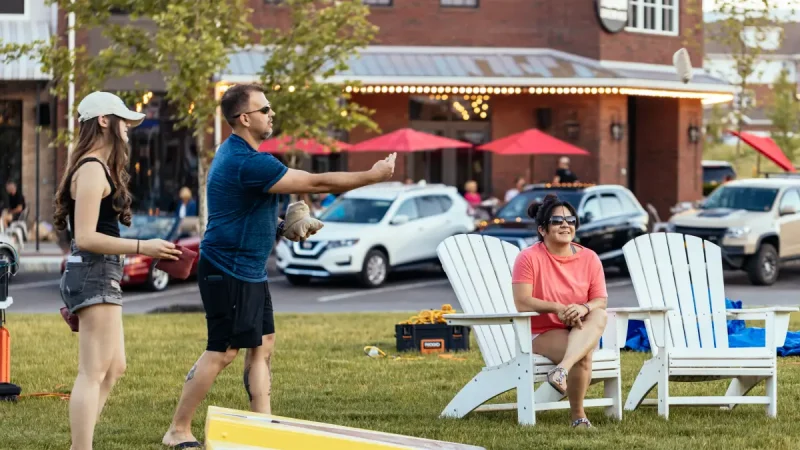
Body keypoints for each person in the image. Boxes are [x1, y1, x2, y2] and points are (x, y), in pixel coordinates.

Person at [161, 83, 396, 448]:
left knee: (264, 344)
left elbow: (242, 211)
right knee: (222, 350)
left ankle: (263, 429)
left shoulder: (244, 155)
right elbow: (315, 181)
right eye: (265, 109)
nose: (272, 115)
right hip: (227, 268)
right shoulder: (246, 160)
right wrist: (373, 176)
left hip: (248, 268)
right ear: (244, 118)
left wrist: (281, 226)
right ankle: (178, 429)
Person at [55, 91, 182, 450]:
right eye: (123, 120)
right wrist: (143, 247)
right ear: (104, 121)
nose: (128, 127)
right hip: (94, 271)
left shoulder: (98, 166)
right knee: (92, 372)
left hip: (102, 272)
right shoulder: (93, 169)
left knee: (115, 368)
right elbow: (85, 237)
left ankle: (81, 443)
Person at [511, 193, 607, 428]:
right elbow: (522, 302)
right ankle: (579, 416)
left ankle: (560, 370)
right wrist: (558, 308)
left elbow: (600, 300)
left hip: (579, 326)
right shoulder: (528, 258)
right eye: (557, 221)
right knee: (583, 355)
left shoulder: (590, 258)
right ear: (543, 229)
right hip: (539, 332)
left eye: (570, 220)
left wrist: (582, 308)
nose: (566, 224)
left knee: (600, 313)